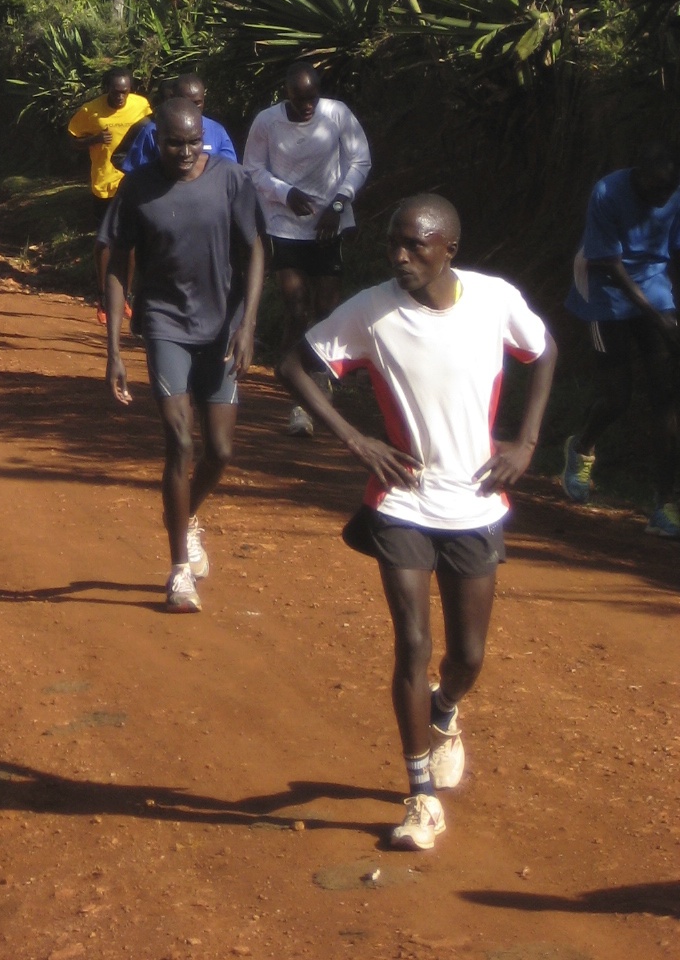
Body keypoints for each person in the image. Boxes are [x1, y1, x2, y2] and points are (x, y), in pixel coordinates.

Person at [280, 195, 556, 853]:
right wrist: (357, 441)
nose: (399, 256)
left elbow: (543, 351)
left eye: (415, 245)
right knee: (412, 643)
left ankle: (445, 710)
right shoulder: (371, 311)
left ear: (448, 250)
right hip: (402, 501)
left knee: (468, 657)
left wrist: (526, 444)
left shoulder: (494, 301)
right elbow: (292, 365)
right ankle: (419, 795)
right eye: (393, 244)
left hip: (476, 502)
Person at [103, 97, 265, 615]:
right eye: (176, 143)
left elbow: (256, 249)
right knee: (180, 442)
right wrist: (113, 347)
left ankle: (185, 514)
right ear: (158, 141)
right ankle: (178, 571)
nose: (187, 151)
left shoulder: (230, 180)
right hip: (165, 324)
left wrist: (248, 326)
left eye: (195, 142)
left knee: (221, 450)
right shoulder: (138, 188)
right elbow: (117, 263)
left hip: (222, 329)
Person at [244, 61, 371, 436]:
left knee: (327, 309)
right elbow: (253, 168)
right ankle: (298, 398)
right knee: (297, 308)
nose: (307, 107)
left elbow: (359, 160)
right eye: (300, 99)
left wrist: (339, 203)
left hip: (328, 224)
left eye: (312, 98)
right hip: (285, 226)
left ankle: (320, 377)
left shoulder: (337, 114)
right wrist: (285, 193)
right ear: (287, 93)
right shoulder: (267, 122)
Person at [560, 142, 680, 537]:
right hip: (604, 291)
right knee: (617, 396)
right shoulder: (607, 192)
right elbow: (608, 262)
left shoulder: (674, 193)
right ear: (638, 174)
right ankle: (582, 448)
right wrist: (657, 318)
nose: (662, 198)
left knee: (666, 396)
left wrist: (670, 313)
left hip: (654, 287)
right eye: (656, 190)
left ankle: (664, 504)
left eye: (669, 191)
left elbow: (676, 252)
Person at [68, 69, 153, 320]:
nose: (120, 97)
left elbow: (149, 133)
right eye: (115, 92)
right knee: (105, 241)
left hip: (132, 182)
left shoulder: (141, 105)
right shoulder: (90, 110)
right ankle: (103, 298)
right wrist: (93, 139)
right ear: (107, 89)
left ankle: (126, 297)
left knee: (131, 242)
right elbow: (72, 140)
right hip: (104, 183)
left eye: (124, 92)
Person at [113, 74, 238, 176]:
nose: (191, 107)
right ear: (173, 98)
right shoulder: (151, 130)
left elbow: (228, 171)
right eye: (175, 143)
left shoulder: (217, 130)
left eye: (197, 103)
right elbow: (137, 175)